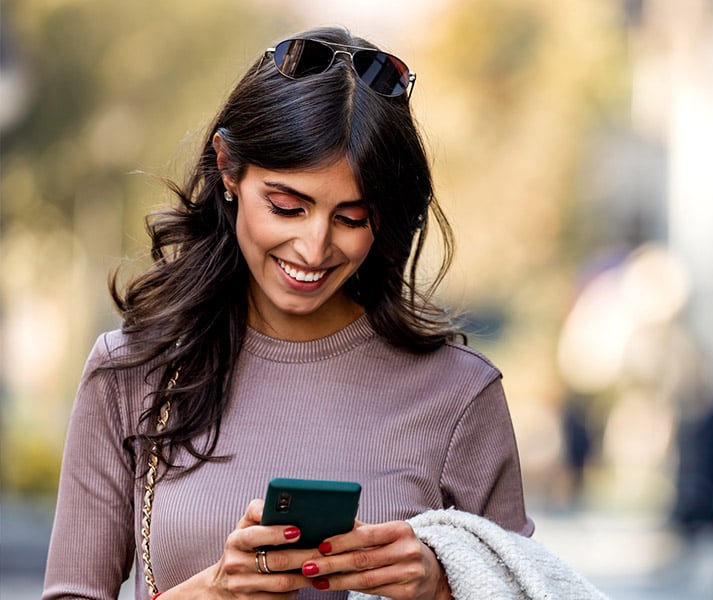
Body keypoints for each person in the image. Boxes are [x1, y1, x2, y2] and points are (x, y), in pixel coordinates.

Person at [44, 26, 542, 600]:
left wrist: (441, 588)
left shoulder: (460, 394)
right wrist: (213, 592)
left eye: (352, 218)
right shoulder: (132, 372)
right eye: (286, 207)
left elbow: (526, 586)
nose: (313, 247)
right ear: (228, 170)